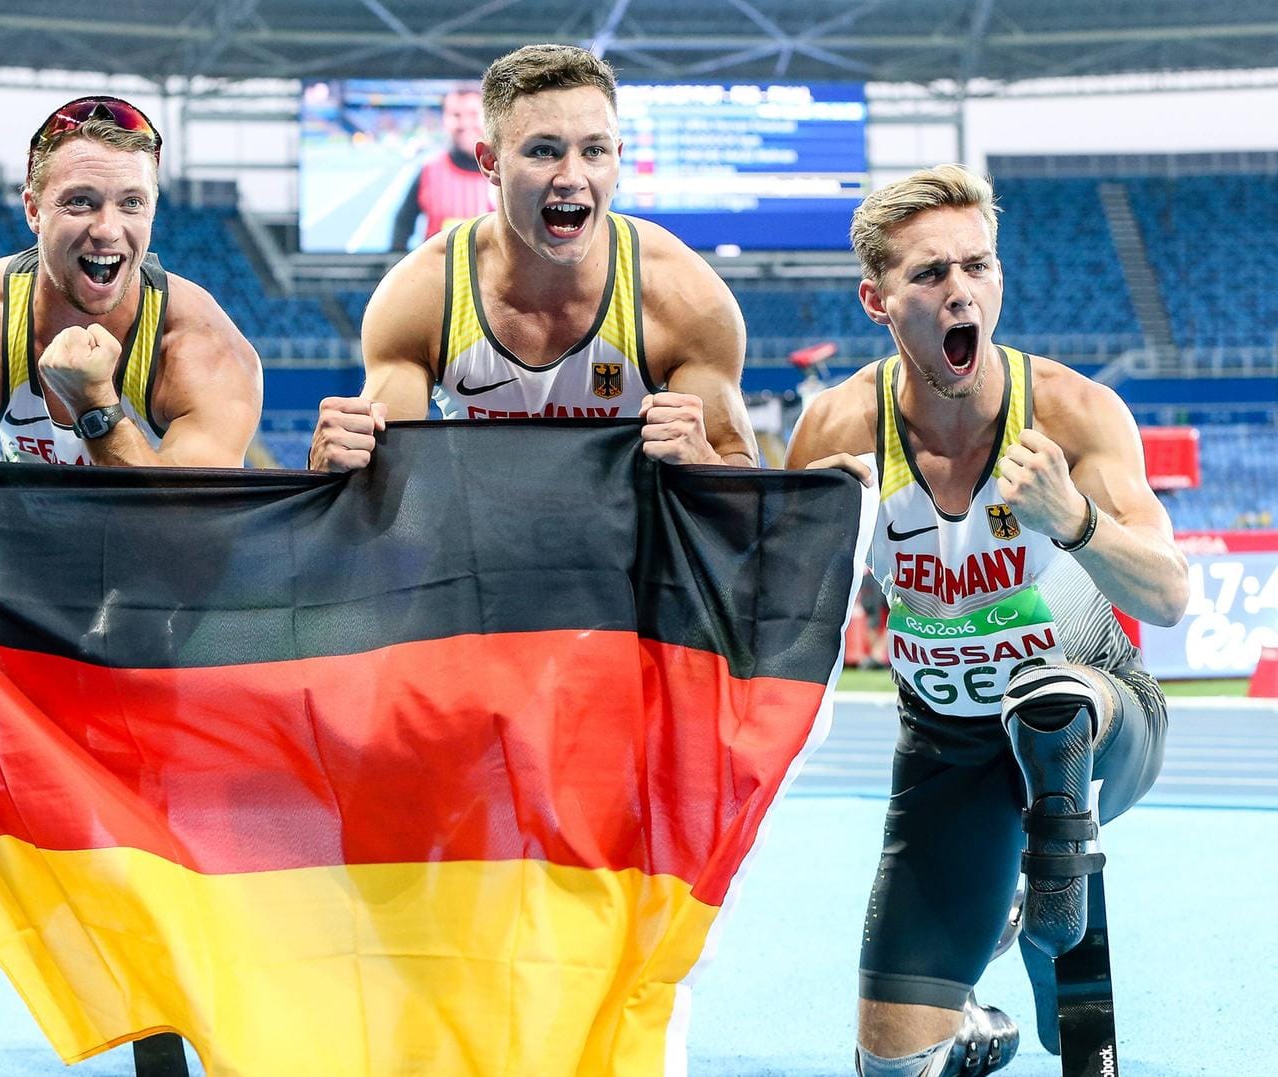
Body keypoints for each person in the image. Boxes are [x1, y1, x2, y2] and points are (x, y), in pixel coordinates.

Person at [783, 164, 1188, 1077]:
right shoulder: (837, 429)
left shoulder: (1077, 414)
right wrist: (817, 546)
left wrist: (1074, 521)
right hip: (945, 751)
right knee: (887, 1068)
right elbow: (776, 633)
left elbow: (1169, 593)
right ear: (876, 300)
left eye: (978, 265)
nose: (960, 290)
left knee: (1050, 705)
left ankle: (1051, 871)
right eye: (930, 275)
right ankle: (980, 1012)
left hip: (1100, 716)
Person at [310, 44, 755, 472]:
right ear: (490, 162)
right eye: (544, 151)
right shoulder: (424, 292)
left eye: (594, 151)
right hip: (474, 544)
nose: (572, 178)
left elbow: (741, 504)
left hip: (628, 550)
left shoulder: (683, 294)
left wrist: (707, 464)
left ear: (618, 159)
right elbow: (384, 479)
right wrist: (335, 468)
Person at [0, 95, 261, 468]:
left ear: (153, 211)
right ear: (33, 210)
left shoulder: (207, 351)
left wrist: (95, 407)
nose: (108, 230)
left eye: (132, 203)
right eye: (81, 201)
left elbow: (193, 519)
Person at [389, 86, 493, 251]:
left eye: (473, 114)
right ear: (444, 119)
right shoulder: (429, 171)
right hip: (437, 275)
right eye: (456, 115)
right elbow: (403, 224)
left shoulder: (507, 172)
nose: (465, 123)